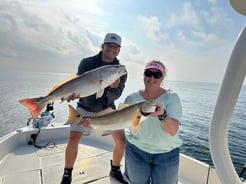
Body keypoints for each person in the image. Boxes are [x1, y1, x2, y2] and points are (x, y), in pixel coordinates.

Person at [60, 33, 128, 184]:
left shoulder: (120, 70)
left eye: (115, 47)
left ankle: (115, 169)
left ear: (119, 50)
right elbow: (77, 85)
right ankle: (67, 174)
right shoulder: (87, 63)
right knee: (73, 142)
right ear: (102, 46)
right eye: (109, 45)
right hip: (84, 107)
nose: (112, 49)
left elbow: (115, 96)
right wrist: (72, 95)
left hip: (107, 110)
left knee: (122, 142)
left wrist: (113, 87)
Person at [124, 60, 183, 184]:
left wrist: (162, 115)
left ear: (162, 78)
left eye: (157, 75)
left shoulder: (172, 97)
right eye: (148, 73)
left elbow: (173, 131)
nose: (152, 78)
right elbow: (122, 122)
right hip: (136, 151)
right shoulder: (131, 98)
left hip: (166, 155)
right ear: (144, 75)